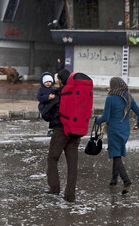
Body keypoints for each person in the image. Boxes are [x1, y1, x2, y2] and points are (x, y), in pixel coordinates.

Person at [95, 77, 139, 195]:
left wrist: (97, 120)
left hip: (114, 130)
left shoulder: (110, 98)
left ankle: (126, 181)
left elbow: (105, 117)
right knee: (117, 153)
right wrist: (138, 125)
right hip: (125, 131)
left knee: (116, 156)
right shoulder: (129, 97)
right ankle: (113, 180)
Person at [42, 69, 81, 202]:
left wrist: (54, 117)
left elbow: (45, 114)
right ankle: (70, 195)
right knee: (72, 164)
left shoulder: (58, 95)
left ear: (60, 81)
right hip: (75, 132)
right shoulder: (78, 93)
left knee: (52, 158)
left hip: (60, 131)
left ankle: (54, 187)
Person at [36, 72, 55, 137]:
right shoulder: (41, 90)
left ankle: (51, 130)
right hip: (43, 107)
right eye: (46, 81)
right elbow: (39, 98)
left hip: (51, 107)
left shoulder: (52, 89)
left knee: (53, 118)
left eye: (50, 81)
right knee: (49, 117)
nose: (48, 83)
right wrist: (48, 98)